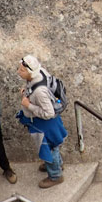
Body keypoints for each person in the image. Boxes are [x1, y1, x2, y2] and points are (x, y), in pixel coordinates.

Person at [15, 54, 67, 188]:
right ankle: (58, 165)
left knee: (49, 149)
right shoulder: (40, 73)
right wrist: (26, 92)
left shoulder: (39, 92)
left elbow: (48, 113)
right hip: (48, 124)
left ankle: (55, 175)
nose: (18, 72)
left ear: (29, 72)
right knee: (53, 148)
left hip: (45, 125)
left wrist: (28, 105)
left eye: (21, 70)